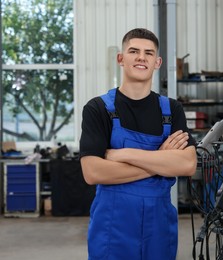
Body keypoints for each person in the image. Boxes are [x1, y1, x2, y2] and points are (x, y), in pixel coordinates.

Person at [79, 28, 198, 260]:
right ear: (121, 59)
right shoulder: (97, 109)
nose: (141, 57)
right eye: (134, 51)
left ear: (157, 62)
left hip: (159, 225)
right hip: (113, 224)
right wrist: (162, 159)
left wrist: (123, 154)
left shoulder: (172, 110)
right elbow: (92, 172)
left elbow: (187, 165)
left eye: (148, 53)